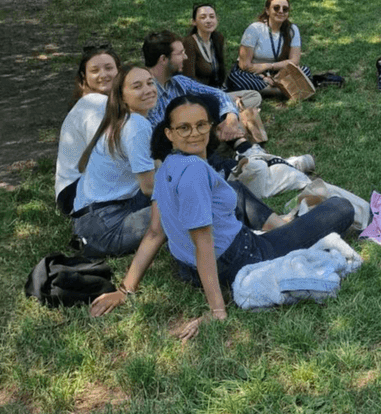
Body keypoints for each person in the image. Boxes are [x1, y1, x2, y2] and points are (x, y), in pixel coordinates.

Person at [89, 95, 355, 340]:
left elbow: (155, 232)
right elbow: (203, 244)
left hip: (187, 269)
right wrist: (217, 311)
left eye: (201, 125)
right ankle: (281, 232)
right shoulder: (194, 173)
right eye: (184, 127)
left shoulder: (168, 165)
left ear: (211, 127)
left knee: (235, 190)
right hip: (240, 258)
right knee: (341, 207)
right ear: (169, 133)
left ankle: (280, 227)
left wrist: (126, 289)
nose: (194, 133)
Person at [71, 65, 158, 257]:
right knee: (183, 205)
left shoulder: (119, 120)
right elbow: (149, 188)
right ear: (122, 96)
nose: (148, 90)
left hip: (89, 221)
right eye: (137, 86)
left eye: (150, 83)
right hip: (105, 227)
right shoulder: (136, 125)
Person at [142, 30, 243, 144]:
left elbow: (218, 93)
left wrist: (231, 117)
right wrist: (212, 137)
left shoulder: (179, 82)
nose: (185, 57)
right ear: (163, 59)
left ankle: (244, 146)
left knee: (214, 103)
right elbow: (164, 141)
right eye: (180, 53)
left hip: (198, 141)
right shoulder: (147, 96)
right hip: (179, 156)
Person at [55, 46, 121, 215]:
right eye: (95, 70)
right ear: (84, 77)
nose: (103, 75)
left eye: (109, 68)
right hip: (75, 196)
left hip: (79, 189)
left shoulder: (104, 103)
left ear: (119, 71)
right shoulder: (94, 105)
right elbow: (112, 154)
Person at [227, 0, 313, 97]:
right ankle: (284, 90)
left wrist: (269, 66)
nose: (281, 11)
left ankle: (268, 90)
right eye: (276, 8)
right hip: (254, 73)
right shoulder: (255, 29)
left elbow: (294, 61)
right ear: (267, 11)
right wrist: (263, 77)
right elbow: (244, 65)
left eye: (285, 9)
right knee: (236, 77)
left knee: (305, 71)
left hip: (280, 72)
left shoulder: (292, 29)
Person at [181, 3, 262, 110]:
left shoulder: (217, 39)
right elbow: (189, 82)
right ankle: (231, 109)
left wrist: (224, 94)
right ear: (194, 22)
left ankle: (229, 109)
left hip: (219, 92)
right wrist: (218, 95)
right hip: (198, 97)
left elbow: (221, 73)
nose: (208, 20)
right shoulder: (189, 43)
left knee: (255, 96)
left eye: (212, 16)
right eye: (203, 17)